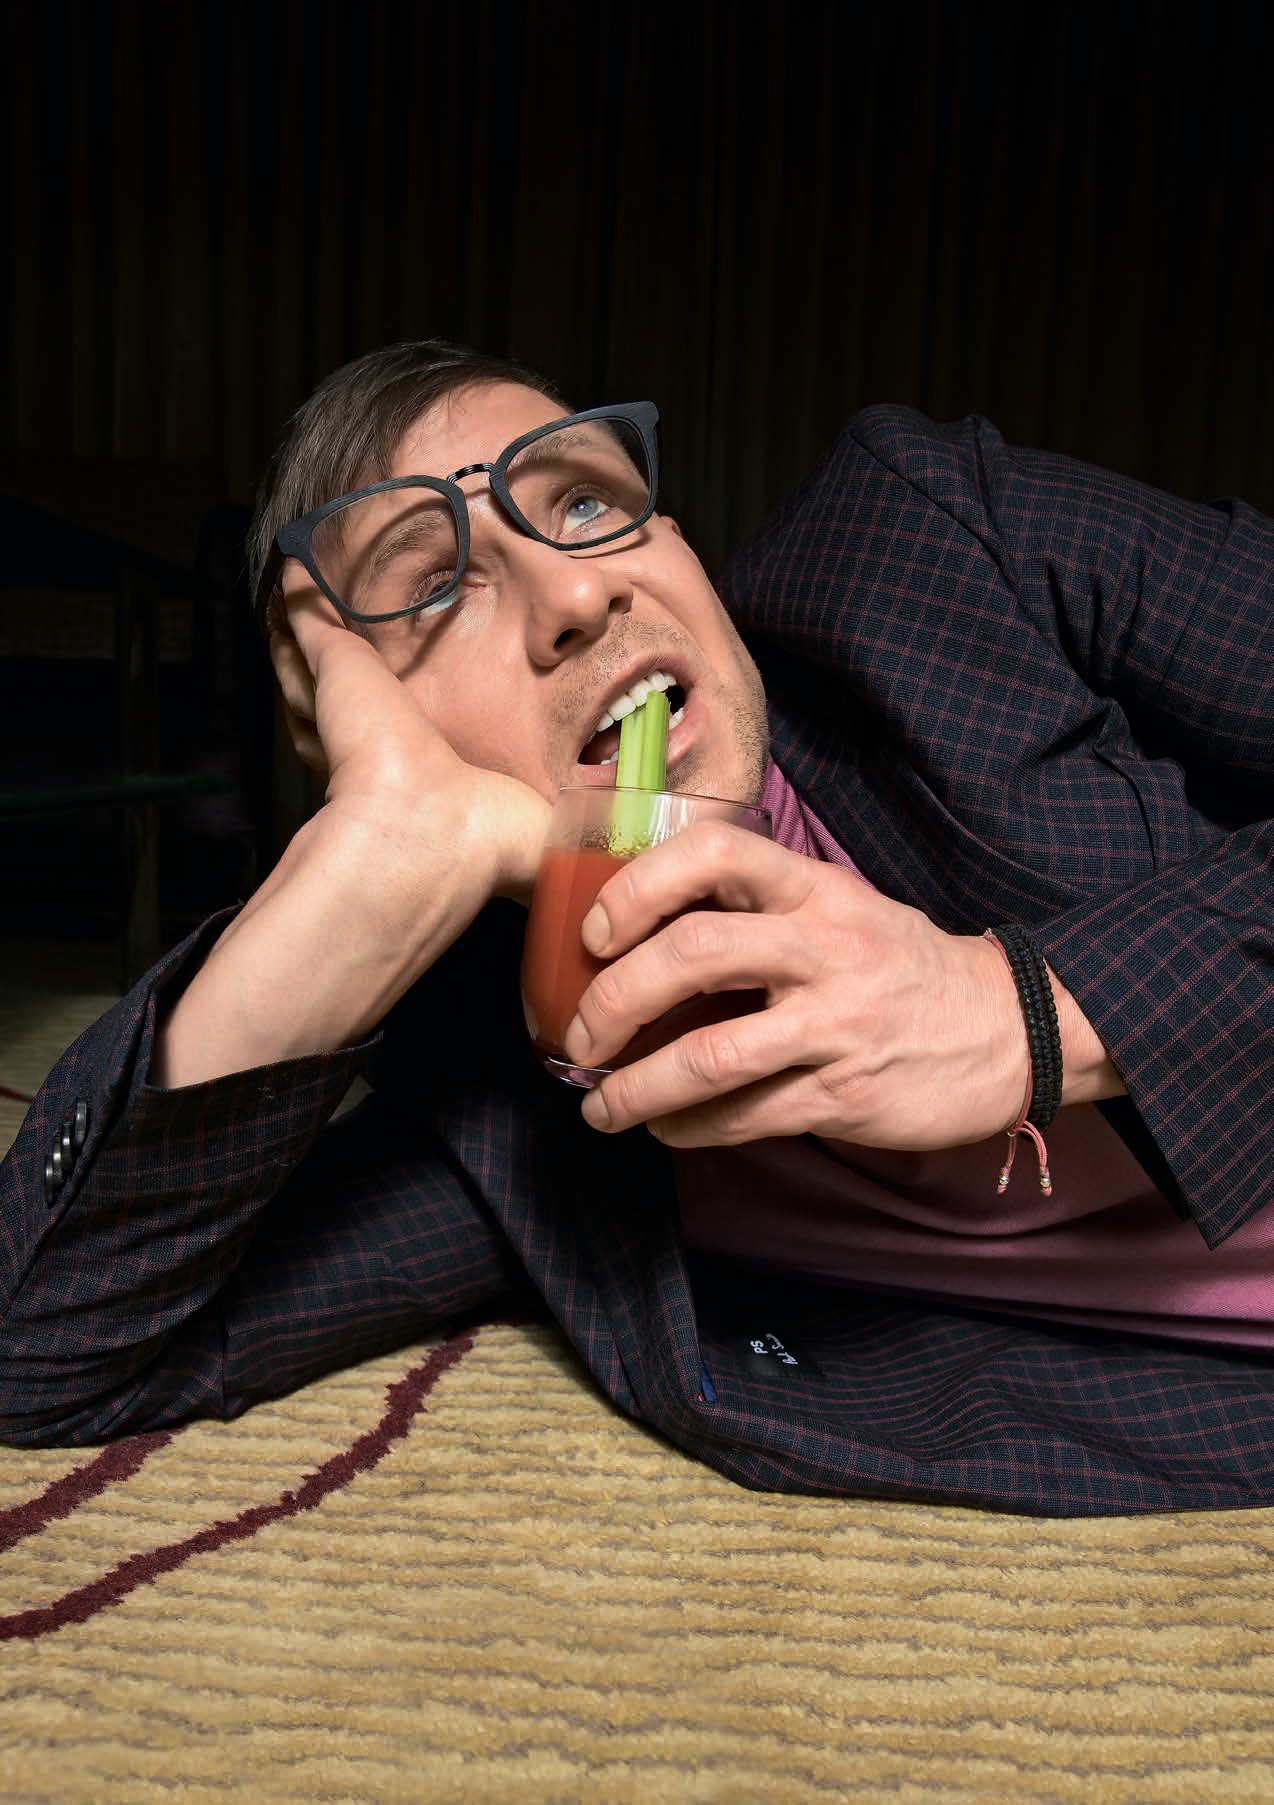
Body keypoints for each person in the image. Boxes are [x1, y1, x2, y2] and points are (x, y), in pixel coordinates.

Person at [2, 339, 1271, 1515]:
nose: (574, 590)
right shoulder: (508, 1087)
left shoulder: (932, 540)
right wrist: (374, 847)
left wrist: (1028, 1011)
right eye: (437, 586)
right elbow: (42, 1354)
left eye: (584, 504)